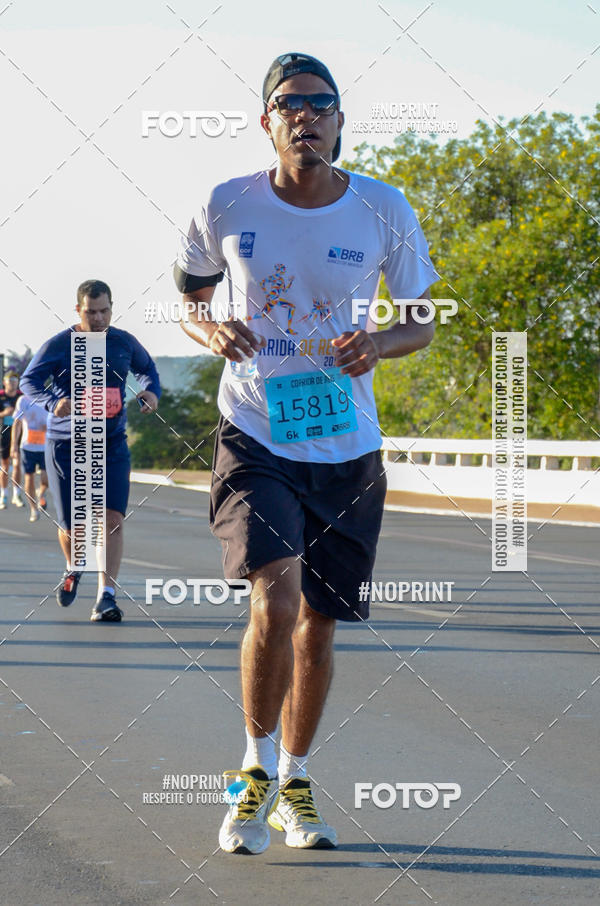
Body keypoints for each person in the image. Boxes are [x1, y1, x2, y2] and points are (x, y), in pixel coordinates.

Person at [175, 52, 437, 855]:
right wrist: (210, 331)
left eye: (321, 104)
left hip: (347, 445)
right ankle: (252, 775)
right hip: (256, 430)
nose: (307, 116)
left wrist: (379, 344)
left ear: (340, 122)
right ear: (268, 121)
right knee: (277, 602)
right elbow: (190, 299)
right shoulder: (226, 202)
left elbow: (422, 320)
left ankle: (295, 779)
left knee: (319, 625)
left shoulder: (383, 208)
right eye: (291, 105)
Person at [21, 279, 161, 621]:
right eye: (90, 312)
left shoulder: (123, 342)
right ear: (78, 310)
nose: (98, 319)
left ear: (112, 308)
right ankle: (74, 566)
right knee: (74, 527)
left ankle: (106, 597)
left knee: (112, 520)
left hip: (111, 443)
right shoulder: (59, 344)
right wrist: (53, 402)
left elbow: (147, 370)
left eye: (104, 311)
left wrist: (151, 392)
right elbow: (29, 381)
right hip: (66, 445)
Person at [10, 394, 49, 522]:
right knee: (29, 478)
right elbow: (17, 423)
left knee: (46, 479)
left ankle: (41, 493)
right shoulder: (23, 400)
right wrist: (14, 445)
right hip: (27, 447)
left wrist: (49, 428)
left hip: (45, 447)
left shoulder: (48, 398)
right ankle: (33, 509)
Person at [0, 371, 24, 509]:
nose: (13, 383)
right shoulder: (1, 396)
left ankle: (16, 494)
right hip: (4, 433)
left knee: (17, 464)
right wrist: (4, 413)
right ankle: (3, 495)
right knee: (5, 466)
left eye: (15, 381)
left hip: (19, 433)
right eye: (10, 381)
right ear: (5, 382)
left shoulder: (21, 397)